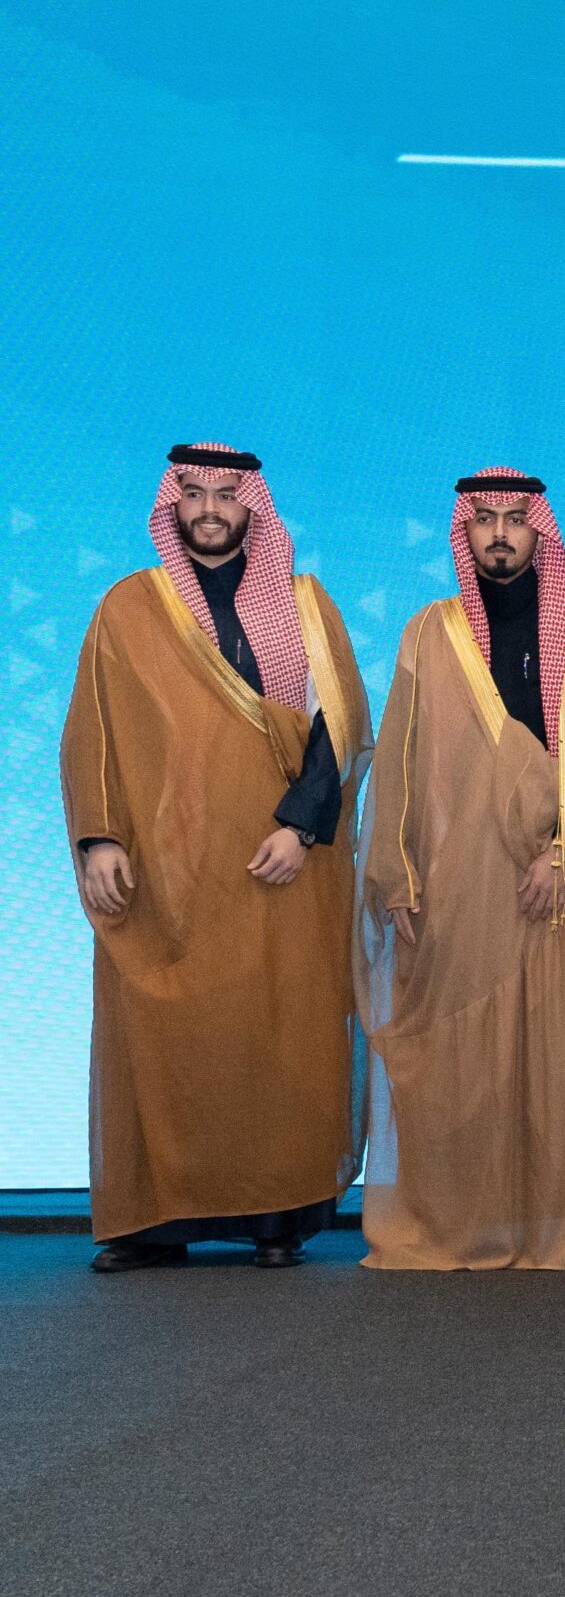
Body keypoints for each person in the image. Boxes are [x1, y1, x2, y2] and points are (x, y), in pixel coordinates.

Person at [64, 443, 371, 1271]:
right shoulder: (128, 607)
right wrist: (100, 836)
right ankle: (153, 1225)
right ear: (173, 504)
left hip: (280, 863)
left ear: (251, 508)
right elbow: (93, 729)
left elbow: (340, 725)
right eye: (193, 493)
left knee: (278, 1035)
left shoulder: (304, 603)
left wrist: (301, 828)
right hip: (168, 869)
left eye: (225, 495)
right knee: (165, 1039)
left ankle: (276, 1220)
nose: (208, 508)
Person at [357, 469, 565, 1269]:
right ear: (465, 531)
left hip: (561, 881)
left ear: (539, 529)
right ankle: (459, 1223)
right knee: (461, 1063)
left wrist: (564, 851)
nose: (501, 533)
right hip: (460, 882)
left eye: (516, 518)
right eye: (484, 519)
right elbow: (401, 759)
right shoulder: (430, 631)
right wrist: (397, 873)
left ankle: (548, 1226)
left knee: (554, 1063)